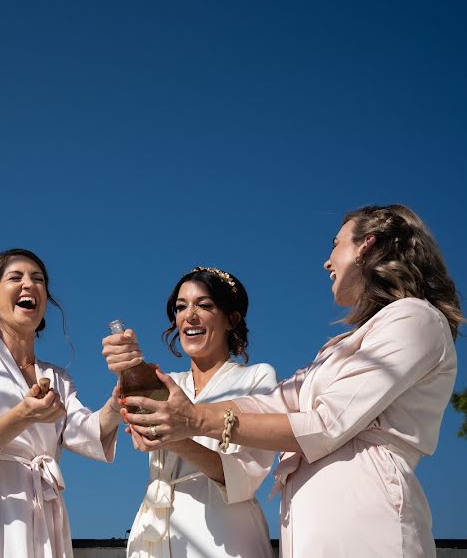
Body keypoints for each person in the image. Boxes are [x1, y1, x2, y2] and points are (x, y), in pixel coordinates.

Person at [109, 205, 460, 557]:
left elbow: (328, 422)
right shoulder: (335, 350)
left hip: (368, 524)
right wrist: (168, 408)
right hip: (309, 533)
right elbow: (272, 403)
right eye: (180, 307)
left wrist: (194, 420)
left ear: (366, 246)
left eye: (335, 244)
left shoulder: (414, 318)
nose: (327, 261)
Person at [0, 248, 122, 558]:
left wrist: (121, 394)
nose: (29, 285)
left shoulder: (56, 377)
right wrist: (23, 414)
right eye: (15, 277)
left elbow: (88, 432)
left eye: (38, 279)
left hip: (42, 506)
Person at [102, 267, 276, 558]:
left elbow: (247, 474)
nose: (189, 316)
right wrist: (127, 372)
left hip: (224, 535)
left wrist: (175, 438)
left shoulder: (257, 378)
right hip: (155, 532)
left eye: (204, 305)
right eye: (181, 307)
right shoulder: (165, 382)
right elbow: (135, 431)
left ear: (231, 319)